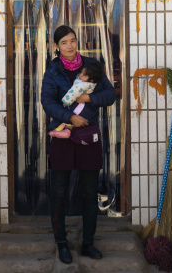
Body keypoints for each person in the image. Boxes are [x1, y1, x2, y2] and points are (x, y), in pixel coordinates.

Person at [41, 25, 116, 264]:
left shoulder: (91, 66)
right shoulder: (52, 71)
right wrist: (69, 117)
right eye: (64, 42)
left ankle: (88, 244)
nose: (70, 45)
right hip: (63, 135)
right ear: (56, 47)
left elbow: (111, 95)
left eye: (73, 40)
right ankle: (61, 243)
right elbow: (47, 102)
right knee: (59, 192)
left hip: (88, 136)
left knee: (89, 191)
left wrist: (89, 98)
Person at [49, 60, 104, 139]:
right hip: (84, 108)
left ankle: (65, 131)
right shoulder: (91, 83)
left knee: (68, 113)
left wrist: (66, 101)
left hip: (80, 107)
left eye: (83, 75)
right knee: (69, 116)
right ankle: (62, 130)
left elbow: (73, 93)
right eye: (81, 72)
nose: (80, 75)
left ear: (91, 79)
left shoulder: (82, 85)